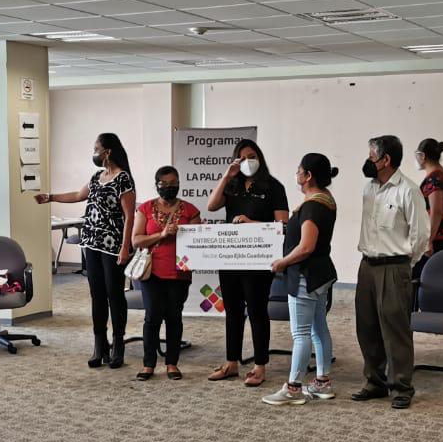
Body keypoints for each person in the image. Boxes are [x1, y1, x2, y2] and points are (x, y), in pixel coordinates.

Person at [36, 133, 135, 369]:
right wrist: (50, 197)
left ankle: (118, 344)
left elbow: (130, 216)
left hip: (112, 245)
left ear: (107, 152)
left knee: (114, 294)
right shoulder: (96, 177)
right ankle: (100, 345)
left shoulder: (123, 179)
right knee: (97, 295)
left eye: (96, 148)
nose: (94, 152)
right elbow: (78, 195)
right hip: (91, 243)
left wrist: (125, 247)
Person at [205, 139, 289, 387]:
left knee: (256, 310)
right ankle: (231, 362)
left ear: (260, 157)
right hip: (230, 257)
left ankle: (260, 365)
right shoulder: (232, 185)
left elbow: (282, 226)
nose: (248, 162)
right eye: (242, 158)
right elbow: (211, 206)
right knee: (232, 311)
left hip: (258, 259)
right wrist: (227, 175)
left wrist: (250, 223)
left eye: (252, 156)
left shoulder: (273, 186)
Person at [354, 134, 429, 410]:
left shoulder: (408, 190)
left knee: (395, 329)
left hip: (394, 266)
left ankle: (401, 387)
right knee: (367, 326)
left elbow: (421, 235)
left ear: (385, 160)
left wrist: (404, 264)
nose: (367, 161)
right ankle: (374, 382)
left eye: (371, 157)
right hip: (367, 265)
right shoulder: (369, 189)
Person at [263, 154, 338, 406]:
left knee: (301, 333)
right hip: (320, 274)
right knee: (318, 329)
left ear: (308, 176)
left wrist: (282, 262)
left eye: (299, 170)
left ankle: (293, 388)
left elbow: (306, 247)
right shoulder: (325, 199)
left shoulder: (312, 206)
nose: (296, 174)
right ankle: (322, 382)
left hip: (305, 275)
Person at [131, 167, 201, 381]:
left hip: (179, 273)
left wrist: (194, 233)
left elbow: (198, 243)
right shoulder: (145, 208)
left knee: (174, 317)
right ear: (157, 185)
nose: (169, 187)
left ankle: (172, 363)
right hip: (152, 272)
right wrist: (161, 235)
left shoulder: (191, 210)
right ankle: (148, 364)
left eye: (174, 183)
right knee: (152, 317)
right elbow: (136, 240)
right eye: (165, 184)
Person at [412, 137, 443, 282]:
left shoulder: (435, 178)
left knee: (421, 279)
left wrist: (428, 240)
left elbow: (436, 211)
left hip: (437, 239)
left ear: (423, 156)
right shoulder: (441, 174)